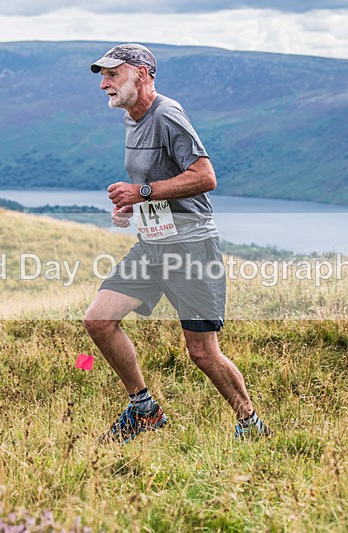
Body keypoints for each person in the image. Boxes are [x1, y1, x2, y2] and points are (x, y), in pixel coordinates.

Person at [84, 43, 270, 444]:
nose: (104, 84)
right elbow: (152, 189)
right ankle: (144, 411)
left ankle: (251, 423)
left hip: (190, 248)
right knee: (98, 321)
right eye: (103, 76)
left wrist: (143, 192)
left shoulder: (167, 113)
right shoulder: (132, 119)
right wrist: (131, 208)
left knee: (202, 353)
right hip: (153, 246)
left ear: (143, 74)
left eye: (112, 74)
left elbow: (205, 177)